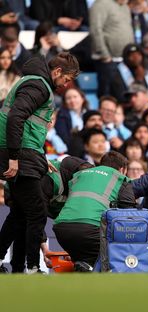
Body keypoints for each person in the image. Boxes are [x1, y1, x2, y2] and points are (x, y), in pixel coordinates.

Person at [0, 52, 80, 274]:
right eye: (66, 79)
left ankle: (17, 267)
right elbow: (16, 117)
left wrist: (41, 159)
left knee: (20, 214)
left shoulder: (33, 82)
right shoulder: (40, 86)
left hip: (24, 153)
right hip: (18, 154)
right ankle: (33, 266)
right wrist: (15, 158)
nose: (65, 85)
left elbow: (28, 127)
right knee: (36, 212)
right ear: (57, 72)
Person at [53, 151, 135, 267]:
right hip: (91, 229)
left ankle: (84, 267)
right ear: (122, 170)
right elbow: (129, 216)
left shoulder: (80, 175)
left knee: (84, 265)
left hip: (62, 229)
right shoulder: (120, 179)